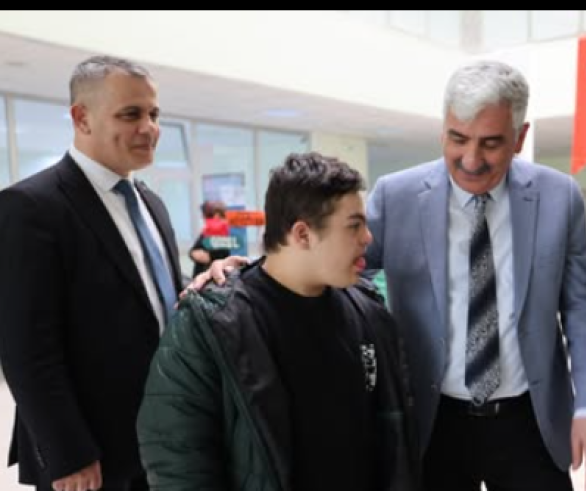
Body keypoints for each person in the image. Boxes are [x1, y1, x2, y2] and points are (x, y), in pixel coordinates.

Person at [365, 60, 586, 491]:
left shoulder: (559, 196)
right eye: (457, 138)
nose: (471, 159)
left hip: (529, 419)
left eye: (491, 143)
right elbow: (347, 278)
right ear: (442, 130)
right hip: (431, 419)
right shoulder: (395, 196)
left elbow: (581, 310)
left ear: (520, 137)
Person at [137, 152, 419, 491]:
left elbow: (393, 442)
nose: (368, 238)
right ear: (302, 234)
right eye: (354, 225)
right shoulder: (210, 324)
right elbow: (178, 463)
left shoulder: (369, 313)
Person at [0, 55, 184, 491]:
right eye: (131, 114)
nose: (149, 128)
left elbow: (154, 308)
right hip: (91, 456)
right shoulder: (32, 207)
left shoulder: (153, 205)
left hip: (164, 441)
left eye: (154, 114)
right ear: (81, 118)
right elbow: (25, 349)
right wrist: (68, 453)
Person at [189, 199, 231, 277]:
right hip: (199, 278)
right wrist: (194, 254)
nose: (203, 218)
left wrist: (206, 256)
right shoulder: (206, 232)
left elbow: (213, 257)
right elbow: (192, 252)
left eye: (207, 215)